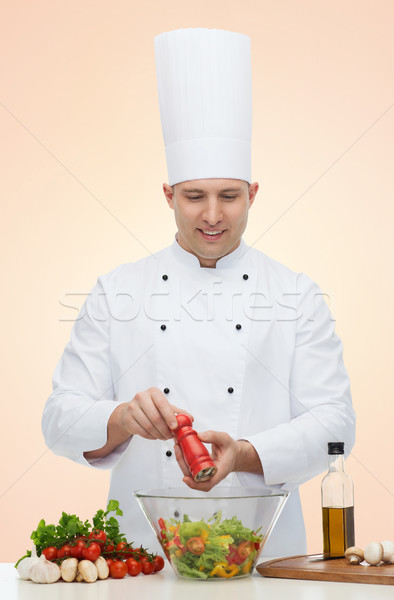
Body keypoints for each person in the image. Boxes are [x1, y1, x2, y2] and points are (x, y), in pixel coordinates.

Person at [42, 28, 355, 557]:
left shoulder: (295, 294)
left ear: (253, 193)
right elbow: (57, 419)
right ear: (168, 195)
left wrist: (247, 453)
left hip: (267, 560)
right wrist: (118, 420)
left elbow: (336, 423)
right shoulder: (118, 290)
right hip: (143, 561)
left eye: (229, 195)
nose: (212, 215)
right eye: (194, 196)